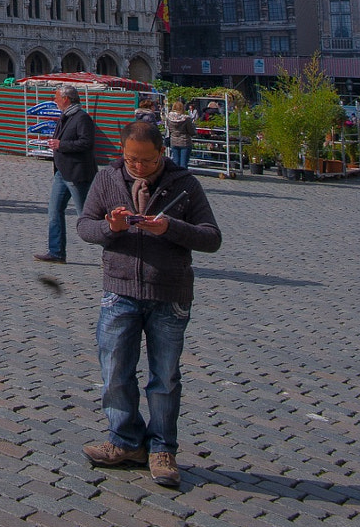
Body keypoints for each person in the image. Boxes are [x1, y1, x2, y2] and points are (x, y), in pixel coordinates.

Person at [77, 118, 223, 490]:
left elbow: (211, 238)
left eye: (146, 160)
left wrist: (170, 228)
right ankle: (125, 441)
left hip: (169, 294)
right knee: (115, 372)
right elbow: (84, 227)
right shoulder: (108, 179)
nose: (138, 167)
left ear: (162, 152)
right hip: (119, 291)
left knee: (164, 378)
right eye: (131, 160)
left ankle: (162, 449)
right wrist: (113, 228)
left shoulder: (185, 185)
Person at [36, 86, 96, 263]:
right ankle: (56, 252)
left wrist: (61, 145)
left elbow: (87, 143)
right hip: (61, 172)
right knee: (54, 211)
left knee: (86, 215)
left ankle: (111, 251)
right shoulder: (65, 116)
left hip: (77, 173)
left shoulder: (82, 117)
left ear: (67, 99)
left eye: (56, 98)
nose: (54, 101)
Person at [165, 101, 196, 171]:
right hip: (185, 141)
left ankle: (175, 177)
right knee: (184, 163)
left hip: (174, 140)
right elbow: (191, 131)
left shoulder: (168, 118)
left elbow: (169, 129)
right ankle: (183, 179)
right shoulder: (186, 119)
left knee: (175, 161)